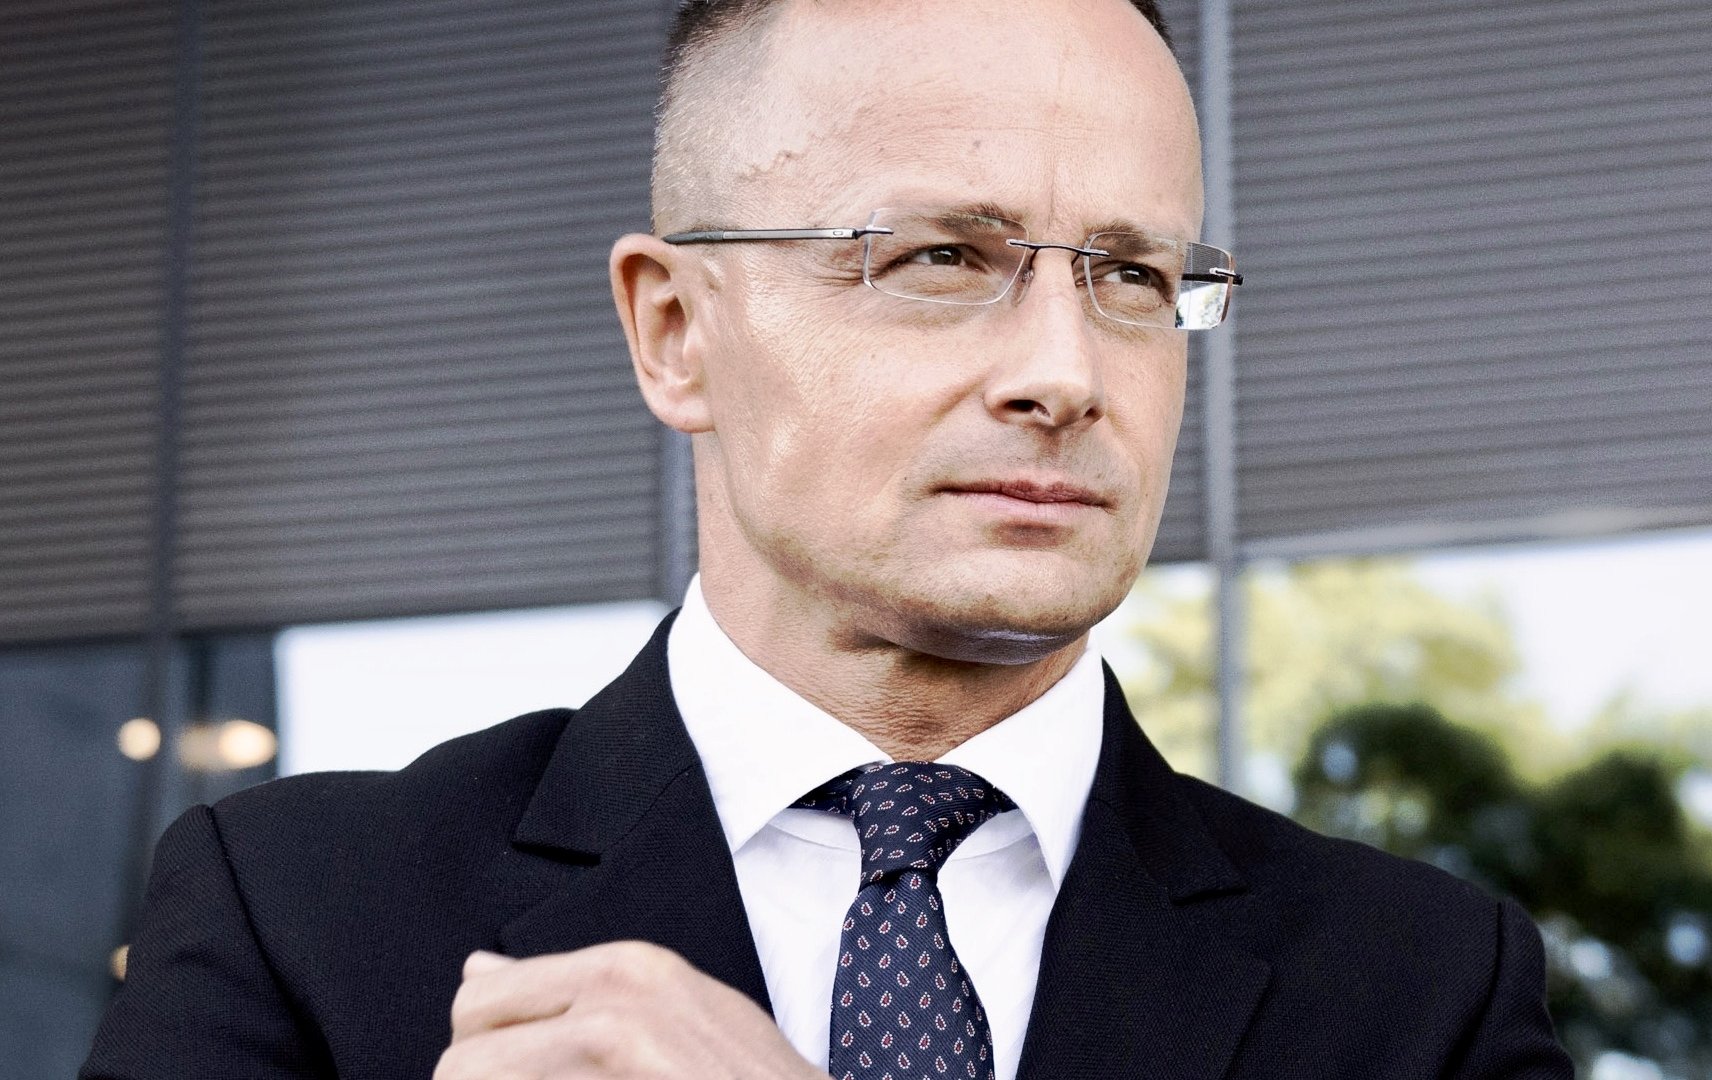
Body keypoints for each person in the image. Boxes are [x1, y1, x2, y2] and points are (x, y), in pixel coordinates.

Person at [83, 0, 1575, 1077]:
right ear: (675, 331)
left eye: (1130, 276)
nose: (1066, 374)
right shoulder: (303, 914)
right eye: (942, 256)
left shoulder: (1420, 990)